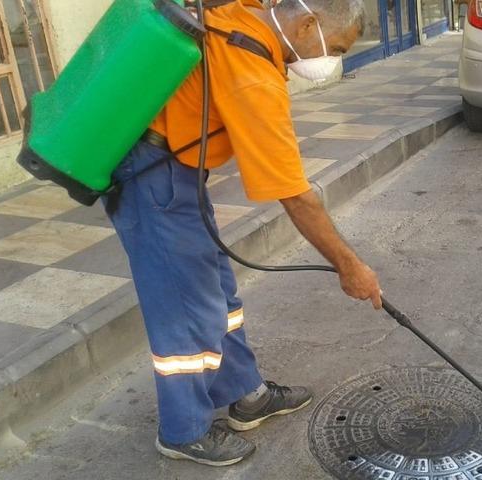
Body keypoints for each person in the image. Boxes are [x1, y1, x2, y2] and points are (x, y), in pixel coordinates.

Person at [104, 0, 379, 467]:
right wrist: (349, 266)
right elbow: (296, 196)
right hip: (151, 173)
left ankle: (244, 394)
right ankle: (183, 430)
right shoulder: (253, 73)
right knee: (185, 305)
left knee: (218, 289)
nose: (332, 60)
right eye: (334, 47)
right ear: (307, 22)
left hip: (176, 168)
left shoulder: (246, 15)